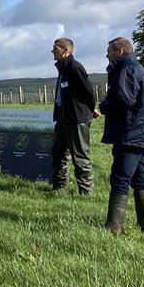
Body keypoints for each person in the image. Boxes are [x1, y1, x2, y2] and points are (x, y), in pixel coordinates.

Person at [98, 37, 144, 234]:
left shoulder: (126, 69)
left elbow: (124, 99)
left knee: (120, 177)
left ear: (120, 51)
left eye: (109, 51)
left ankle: (113, 227)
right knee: (140, 177)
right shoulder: (139, 68)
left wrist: (104, 106)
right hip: (141, 131)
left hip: (129, 131)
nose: (107, 55)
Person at [50, 37, 97, 194]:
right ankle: (59, 187)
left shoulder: (75, 68)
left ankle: (85, 191)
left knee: (79, 156)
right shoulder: (63, 68)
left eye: (55, 48)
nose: (52, 51)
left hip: (76, 119)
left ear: (66, 51)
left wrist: (91, 109)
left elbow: (88, 92)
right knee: (57, 153)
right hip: (62, 118)